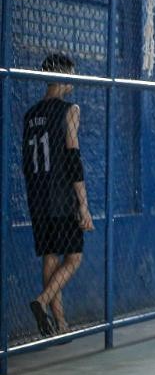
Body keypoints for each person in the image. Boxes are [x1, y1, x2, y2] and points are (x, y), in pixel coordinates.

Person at [22, 53, 94, 337]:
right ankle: (41, 301)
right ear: (63, 77)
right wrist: (83, 205)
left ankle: (60, 324)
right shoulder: (70, 110)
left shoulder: (30, 115)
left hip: (38, 196)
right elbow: (73, 157)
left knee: (50, 258)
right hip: (62, 197)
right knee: (74, 258)